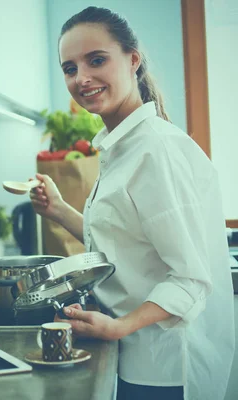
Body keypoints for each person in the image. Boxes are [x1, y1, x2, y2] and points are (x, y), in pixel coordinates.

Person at [30, 6, 235, 400]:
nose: (82, 78)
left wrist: (119, 326)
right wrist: (57, 209)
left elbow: (191, 279)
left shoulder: (155, 150)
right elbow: (120, 242)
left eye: (97, 60)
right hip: (133, 355)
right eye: (70, 68)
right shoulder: (121, 149)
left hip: (165, 368)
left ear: (133, 59)